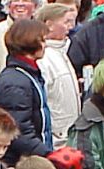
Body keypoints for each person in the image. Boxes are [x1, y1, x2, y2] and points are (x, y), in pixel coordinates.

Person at [0, 19, 53, 165]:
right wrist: (48, 154)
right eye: (41, 40)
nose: (45, 45)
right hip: (18, 163)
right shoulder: (15, 82)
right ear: (29, 41)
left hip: (31, 158)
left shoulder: (27, 74)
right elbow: (19, 130)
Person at [35, 3, 81, 147]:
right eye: (66, 22)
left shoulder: (61, 53)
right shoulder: (44, 58)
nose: (70, 27)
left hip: (68, 136)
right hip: (57, 139)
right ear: (49, 25)